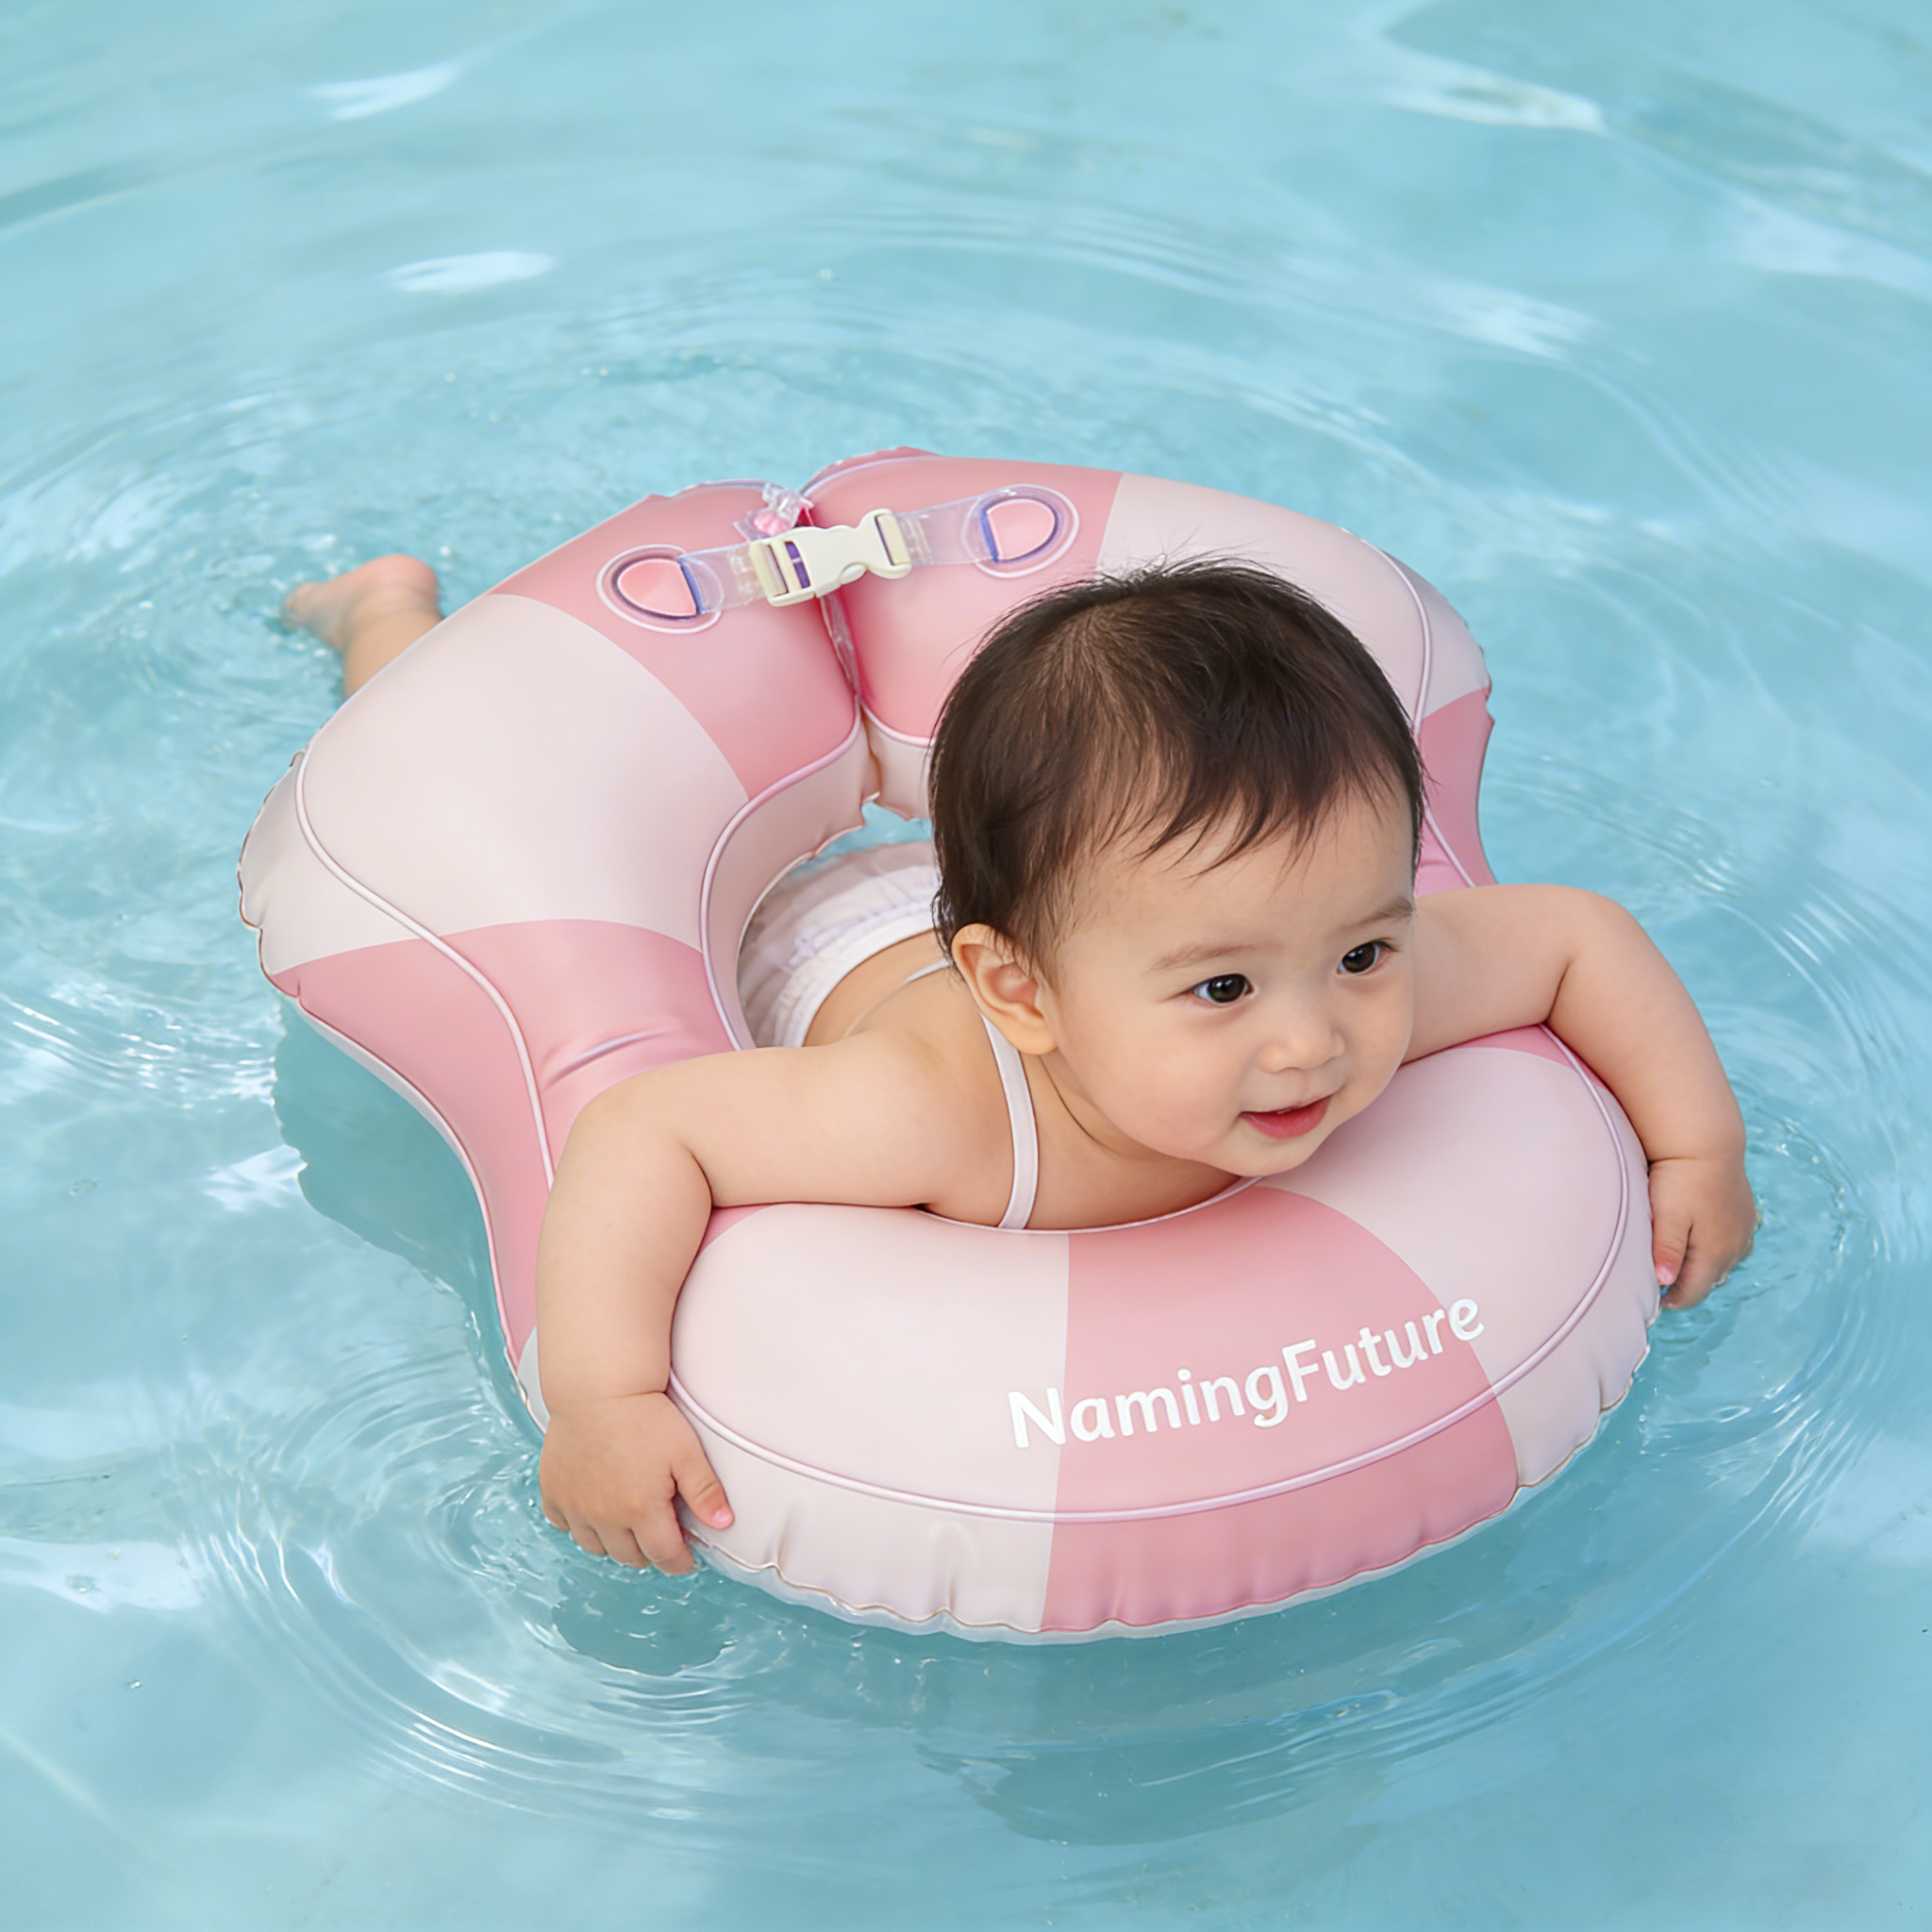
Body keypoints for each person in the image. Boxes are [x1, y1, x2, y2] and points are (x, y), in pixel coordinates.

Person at [283, 551, 1758, 1577]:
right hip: (823, 943)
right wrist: (606, 1401)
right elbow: (645, 1133)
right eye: (1229, 988)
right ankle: (384, 623)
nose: (1315, 1037)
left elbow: (1577, 937)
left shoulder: (1336, 984)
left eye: (1364, 953)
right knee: (487, 771)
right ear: (1022, 991)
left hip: (1076, 923)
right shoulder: (935, 1111)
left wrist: (1697, 1148)